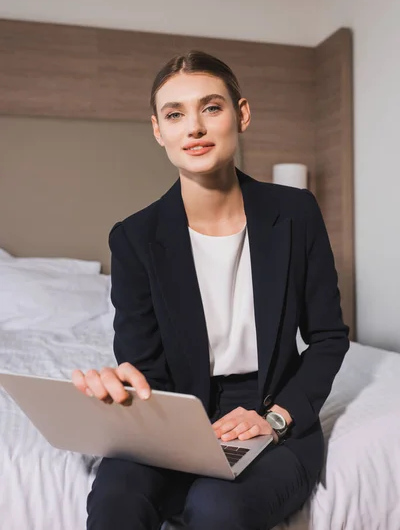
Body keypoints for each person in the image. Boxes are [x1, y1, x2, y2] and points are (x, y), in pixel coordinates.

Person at [72, 50, 350, 530]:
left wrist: (279, 418)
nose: (193, 127)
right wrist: (124, 391)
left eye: (211, 107)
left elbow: (328, 337)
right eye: (175, 114)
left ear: (241, 114)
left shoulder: (296, 212)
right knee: (116, 498)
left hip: (271, 409)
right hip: (172, 413)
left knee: (217, 507)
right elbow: (143, 363)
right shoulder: (134, 237)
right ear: (159, 130)